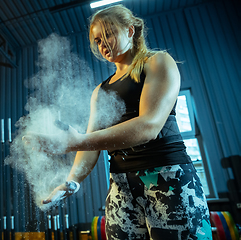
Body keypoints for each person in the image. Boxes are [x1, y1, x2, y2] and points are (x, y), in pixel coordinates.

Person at [23, 4, 211, 240]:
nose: (103, 44)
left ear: (130, 31)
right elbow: (90, 144)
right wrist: (71, 181)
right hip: (121, 186)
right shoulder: (100, 91)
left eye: (109, 34)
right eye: (98, 40)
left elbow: (149, 126)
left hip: (168, 177)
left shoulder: (157, 62)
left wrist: (73, 142)